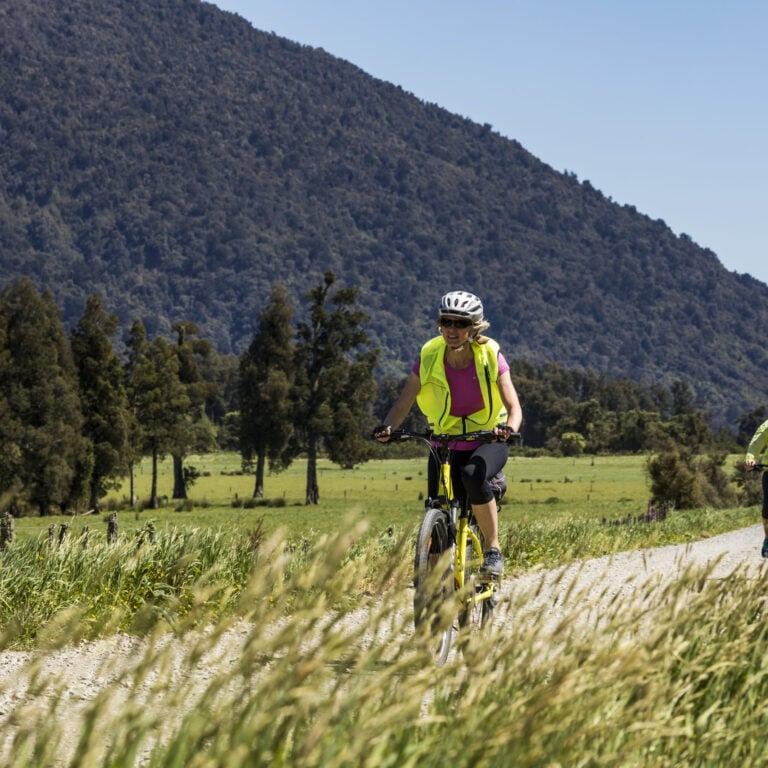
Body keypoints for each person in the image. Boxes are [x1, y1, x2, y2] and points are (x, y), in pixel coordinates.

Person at [374, 290, 523, 577]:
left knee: (471, 474)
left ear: (474, 327)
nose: (452, 329)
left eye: (460, 323)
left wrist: (509, 429)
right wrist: (388, 427)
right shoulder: (429, 354)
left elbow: (513, 406)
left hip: (489, 437)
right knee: (436, 505)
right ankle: (431, 589)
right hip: (444, 440)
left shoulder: (490, 354)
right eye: (446, 322)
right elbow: (404, 401)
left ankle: (493, 550)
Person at [744, 419, 768, 557]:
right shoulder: (767, 426)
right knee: (767, 509)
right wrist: (750, 457)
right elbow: (755, 444)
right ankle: (767, 539)